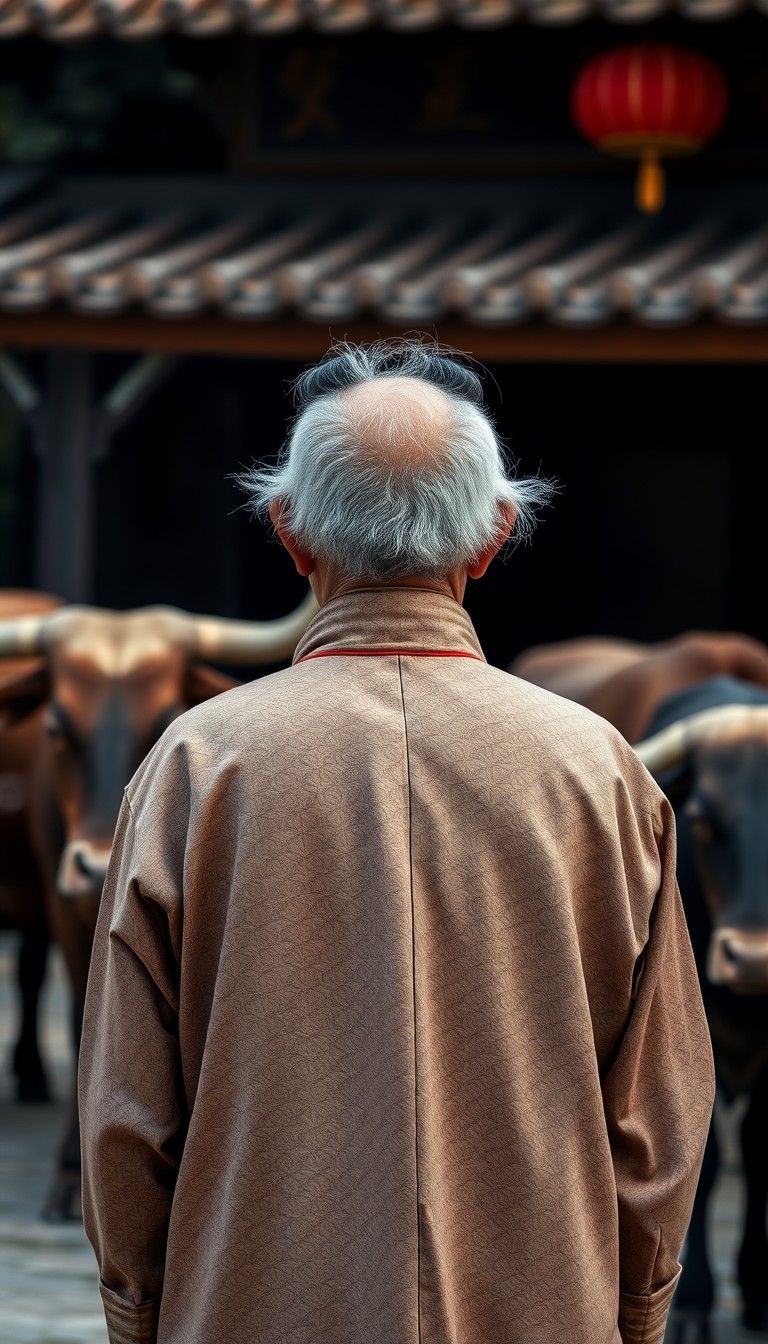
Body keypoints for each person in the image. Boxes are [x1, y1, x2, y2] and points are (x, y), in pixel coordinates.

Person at [79, 337, 715, 1344]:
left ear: (288, 533)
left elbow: (127, 1117)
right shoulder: (599, 773)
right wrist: (629, 1315)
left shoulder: (199, 765)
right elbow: (660, 1121)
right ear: (495, 535)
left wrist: (142, 1311)